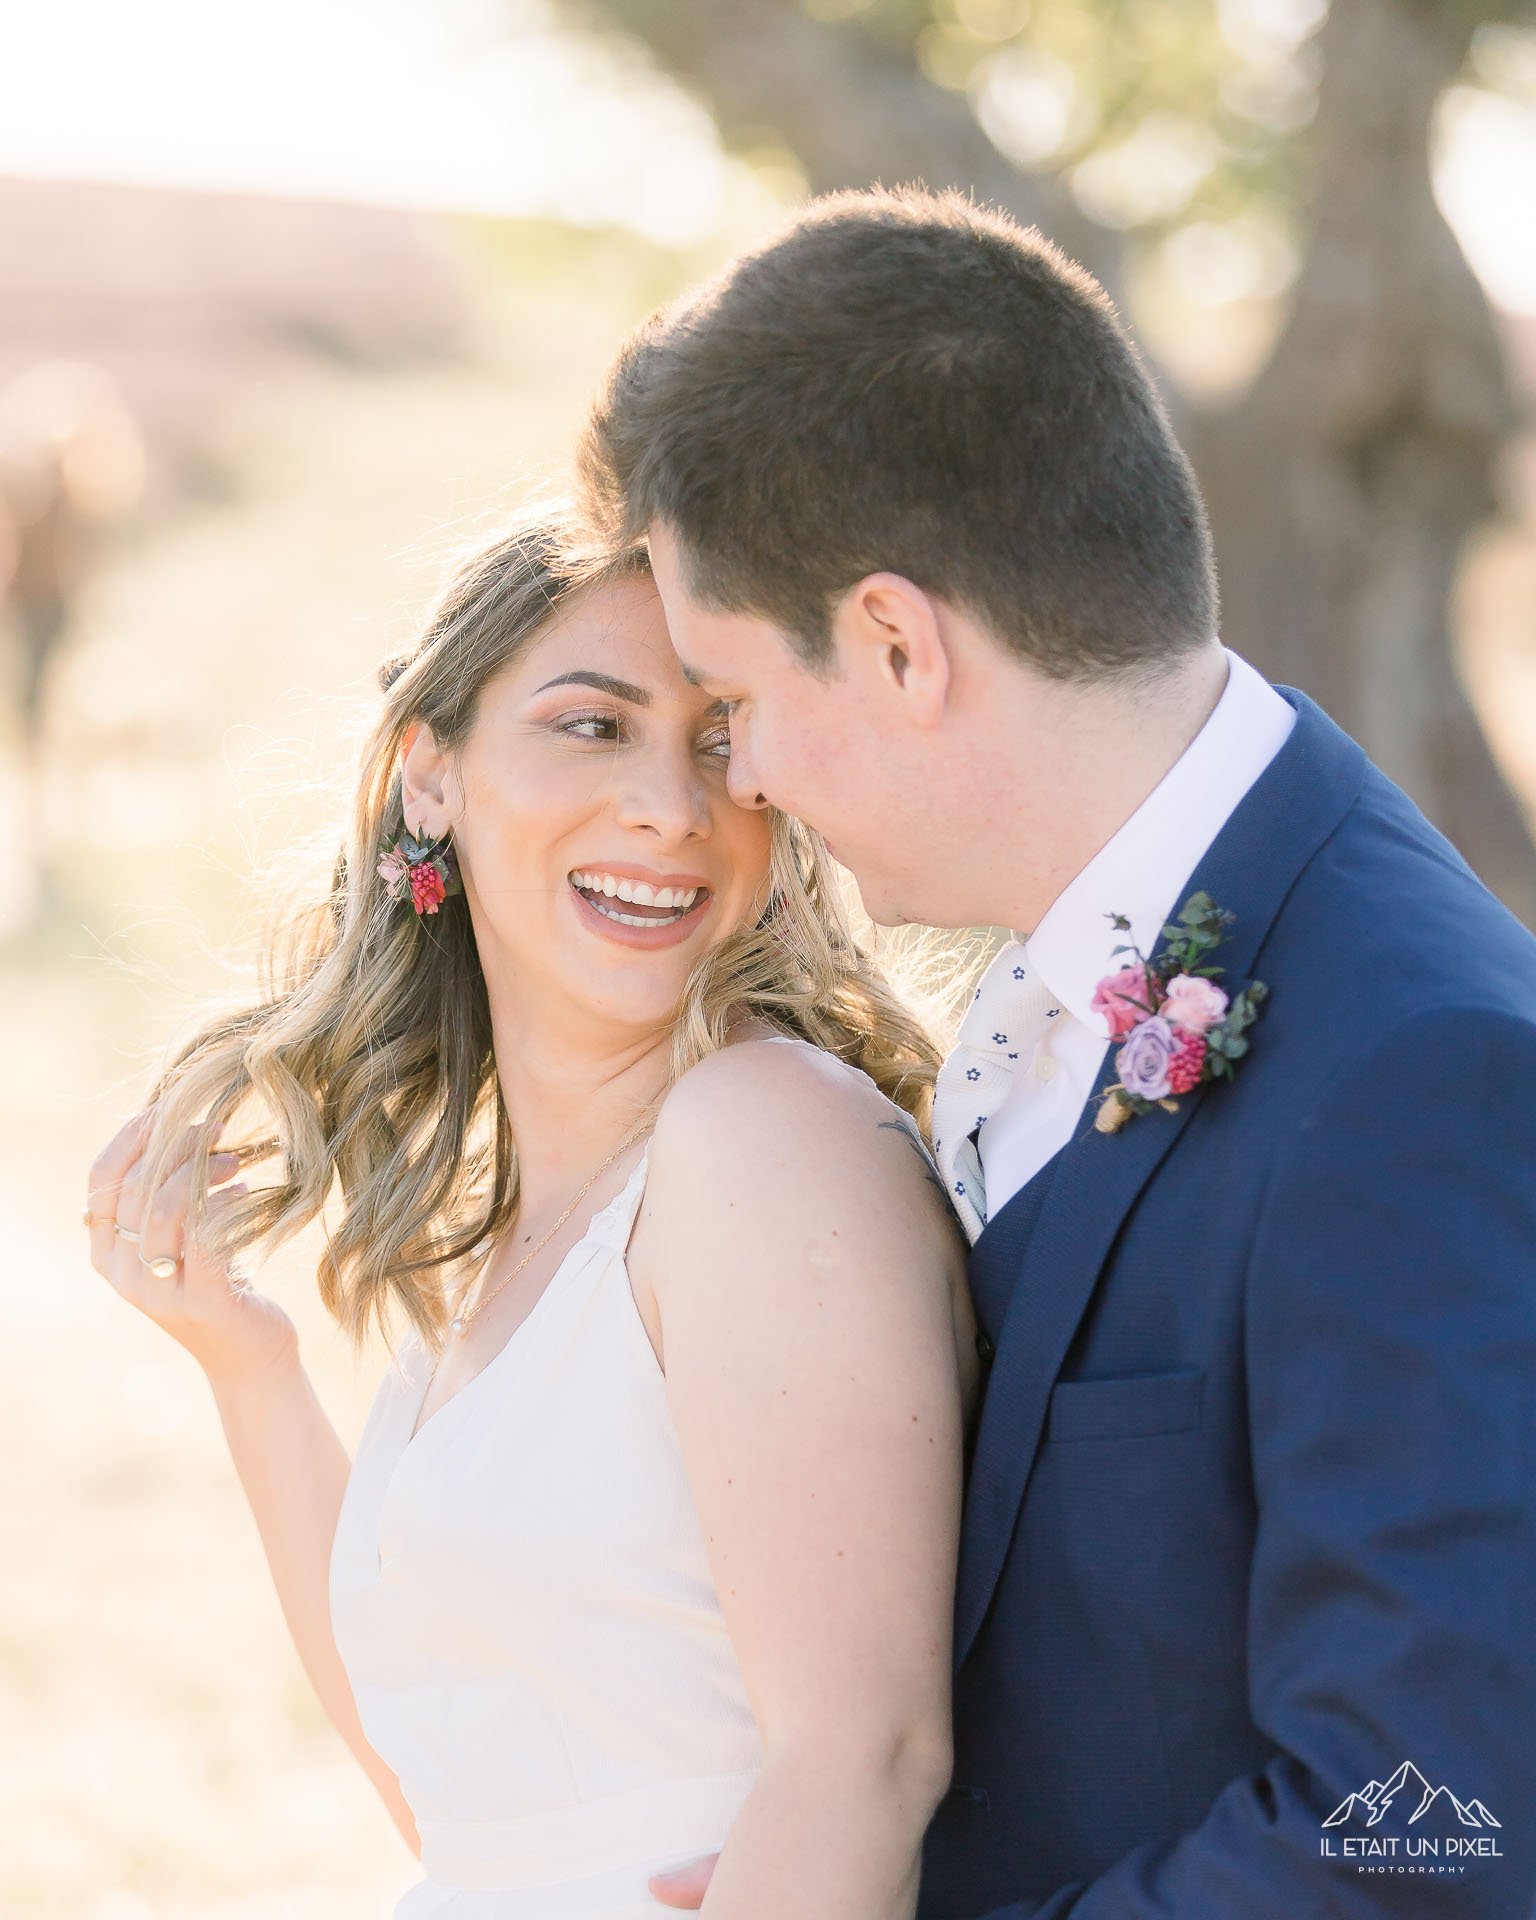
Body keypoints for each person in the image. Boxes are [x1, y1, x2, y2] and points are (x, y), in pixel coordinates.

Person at [576, 185, 1536, 1918]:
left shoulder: (1418, 1063)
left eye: (736, 706)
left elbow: (1443, 1836)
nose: (749, 781)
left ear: (895, 641)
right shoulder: (1072, 974)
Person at [84, 505, 983, 1919]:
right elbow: (464, 1802)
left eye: (718, 741)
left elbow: (864, 1765)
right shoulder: (529, 1241)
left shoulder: (766, 1139)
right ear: (428, 774)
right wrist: (246, 1361)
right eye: (592, 726)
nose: (672, 811)